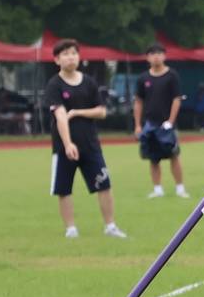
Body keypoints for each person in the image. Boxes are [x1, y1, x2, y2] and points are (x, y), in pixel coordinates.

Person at [45, 38, 127, 239]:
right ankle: (70, 229)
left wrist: (78, 112)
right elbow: (60, 116)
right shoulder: (54, 85)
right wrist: (67, 144)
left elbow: (101, 112)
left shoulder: (89, 82)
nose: (70, 57)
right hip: (64, 147)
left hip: (90, 144)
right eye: (65, 54)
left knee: (104, 184)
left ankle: (110, 226)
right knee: (64, 189)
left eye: (73, 53)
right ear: (57, 60)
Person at [133, 43, 188, 199]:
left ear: (164, 56)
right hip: (150, 124)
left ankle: (180, 188)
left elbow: (176, 99)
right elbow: (138, 101)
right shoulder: (143, 78)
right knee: (153, 158)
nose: (156, 56)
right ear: (148, 57)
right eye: (152, 53)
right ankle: (157, 189)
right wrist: (137, 125)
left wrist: (170, 121)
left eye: (159, 53)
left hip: (167, 124)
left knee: (174, 155)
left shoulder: (172, 75)